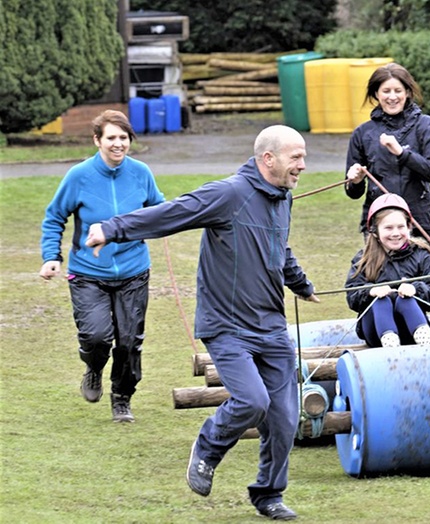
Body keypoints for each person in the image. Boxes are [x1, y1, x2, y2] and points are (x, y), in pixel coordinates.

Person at [85, 125, 319, 521]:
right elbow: (173, 212)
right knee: (252, 401)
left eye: (303, 157)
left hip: (270, 326)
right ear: (268, 159)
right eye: (296, 157)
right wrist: (112, 229)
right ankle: (208, 446)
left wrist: (300, 283)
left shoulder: (283, 198)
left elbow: (280, 246)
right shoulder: (228, 194)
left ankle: (268, 494)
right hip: (227, 326)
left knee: (283, 416)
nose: (303, 165)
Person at [39, 110, 165, 423]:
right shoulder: (79, 176)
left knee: (129, 342)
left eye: (124, 138)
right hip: (87, 274)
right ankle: (93, 368)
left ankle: (122, 398)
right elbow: (55, 216)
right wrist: (51, 256)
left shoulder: (141, 173)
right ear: (98, 140)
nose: (118, 144)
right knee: (97, 338)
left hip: (134, 272)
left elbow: (160, 211)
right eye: (111, 138)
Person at [345, 62, 430, 239]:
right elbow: (353, 193)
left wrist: (402, 153)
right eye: (386, 91)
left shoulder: (425, 125)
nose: (392, 97)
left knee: (417, 267)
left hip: (416, 220)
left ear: (407, 92)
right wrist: (356, 181)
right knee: (379, 268)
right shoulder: (363, 133)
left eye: (398, 91)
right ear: (376, 93)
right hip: (378, 222)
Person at [345, 194, 430, 347]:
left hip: (409, 329)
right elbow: (352, 296)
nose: (396, 233)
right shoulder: (363, 259)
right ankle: (389, 341)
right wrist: (372, 291)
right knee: (382, 299)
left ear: (409, 227)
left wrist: (415, 288)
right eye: (388, 228)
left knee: (405, 298)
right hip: (376, 332)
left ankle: (423, 336)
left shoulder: (421, 254)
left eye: (401, 227)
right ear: (375, 231)